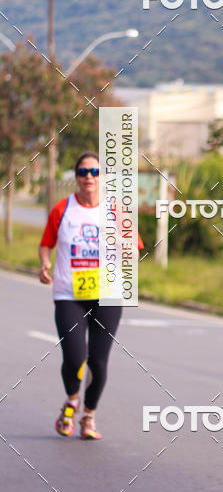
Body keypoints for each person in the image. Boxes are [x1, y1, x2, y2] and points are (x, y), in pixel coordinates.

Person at [39, 151, 143, 440]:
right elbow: (45, 244)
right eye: (83, 172)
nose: (89, 177)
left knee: (98, 362)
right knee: (75, 357)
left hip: (107, 296)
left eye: (94, 172)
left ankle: (89, 416)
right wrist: (45, 264)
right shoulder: (62, 209)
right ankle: (72, 400)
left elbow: (133, 248)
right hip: (68, 295)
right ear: (76, 176)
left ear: (102, 178)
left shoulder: (116, 211)